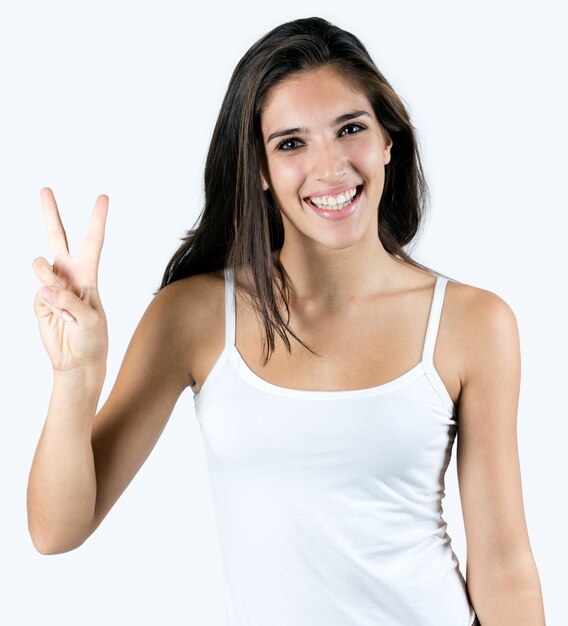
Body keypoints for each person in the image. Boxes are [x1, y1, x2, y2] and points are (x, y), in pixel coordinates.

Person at [28, 16, 545, 626]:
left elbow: (504, 565)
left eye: (350, 128)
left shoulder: (472, 323)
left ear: (387, 142)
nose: (329, 168)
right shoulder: (194, 317)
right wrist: (76, 375)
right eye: (291, 143)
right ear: (262, 173)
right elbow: (57, 531)